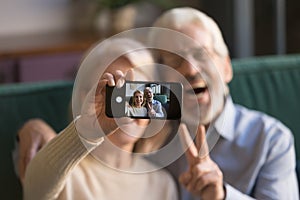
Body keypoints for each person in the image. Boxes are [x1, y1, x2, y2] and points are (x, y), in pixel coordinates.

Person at [150, 7, 299, 200]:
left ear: (226, 68)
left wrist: (222, 196)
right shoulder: (145, 141)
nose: (190, 69)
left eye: (201, 54)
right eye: (174, 60)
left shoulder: (271, 139)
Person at [22, 38, 178, 200]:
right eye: (115, 92)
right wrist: (86, 131)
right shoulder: (63, 167)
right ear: (84, 97)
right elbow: (34, 190)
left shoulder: (163, 184)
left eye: (138, 90)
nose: (130, 103)